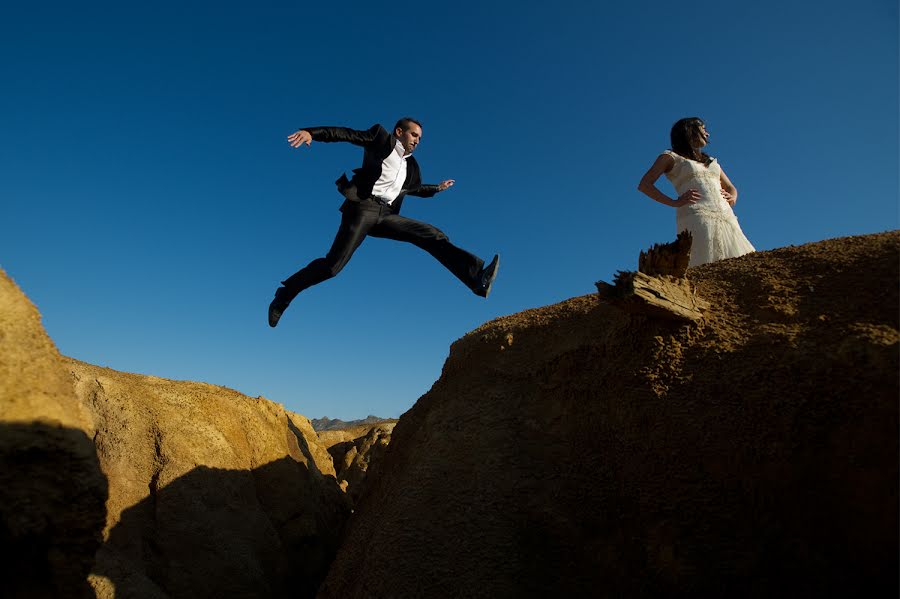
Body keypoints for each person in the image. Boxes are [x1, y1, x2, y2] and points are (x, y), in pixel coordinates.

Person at [267, 117, 500, 327]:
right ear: (399, 132)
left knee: (430, 233)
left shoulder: (411, 166)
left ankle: (476, 277)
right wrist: (312, 133)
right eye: (414, 135)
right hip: (363, 208)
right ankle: (285, 295)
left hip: (386, 215)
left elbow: (413, 189)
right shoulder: (380, 139)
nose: (418, 141)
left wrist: (436, 188)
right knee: (332, 267)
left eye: (420, 138)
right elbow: (345, 133)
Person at [637, 117, 755, 266]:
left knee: (740, 259)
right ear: (690, 131)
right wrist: (674, 202)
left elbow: (731, 187)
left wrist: (732, 197)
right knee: (703, 259)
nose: (707, 133)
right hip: (696, 215)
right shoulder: (670, 157)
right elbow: (644, 185)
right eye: (703, 128)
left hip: (726, 216)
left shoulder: (710, 161)